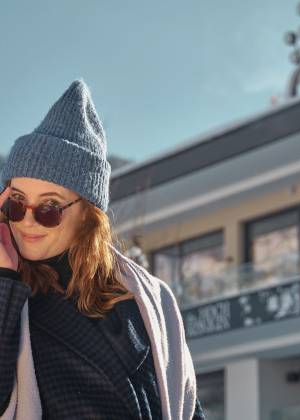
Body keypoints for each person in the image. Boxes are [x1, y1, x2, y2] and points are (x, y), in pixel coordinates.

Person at [0, 80, 205, 420]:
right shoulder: (12, 298)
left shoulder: (149, 301)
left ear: (87, 214)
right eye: (17, 204)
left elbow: (188, 408)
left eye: (49, 208)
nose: (28, 221)